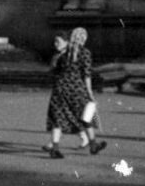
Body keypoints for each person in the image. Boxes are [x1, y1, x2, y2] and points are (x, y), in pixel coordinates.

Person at [45, 27, 106, 159]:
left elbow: (54, 71)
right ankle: (93, 144)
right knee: (86, 117)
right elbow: (87, 75)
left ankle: (55, 148)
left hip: (59, 89)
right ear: (83, 39)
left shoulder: (63, 53)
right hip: (77, 89)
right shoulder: (85, 53)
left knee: (58, 118)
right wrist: (90, 93)